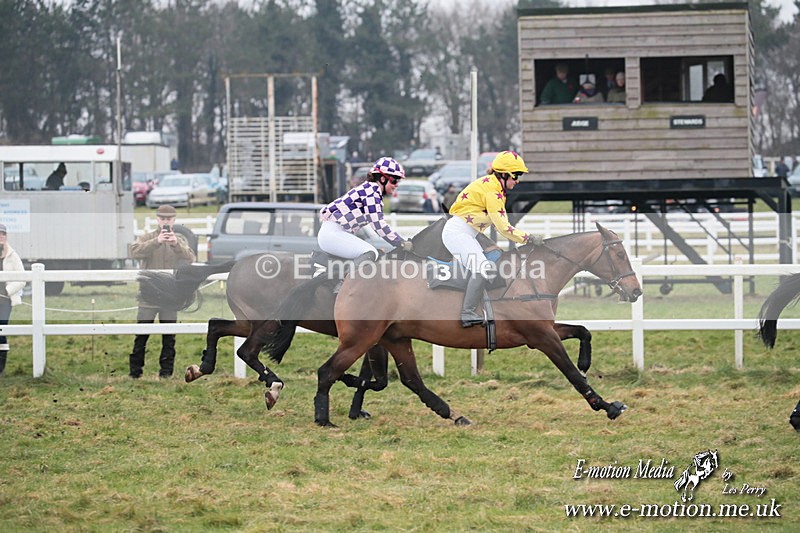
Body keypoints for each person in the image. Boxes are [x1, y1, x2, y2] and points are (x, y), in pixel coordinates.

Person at [443, 151, 545, 327]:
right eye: (516, 176)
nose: (517, 181)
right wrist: (528, 238)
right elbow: (504, 228)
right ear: (504, 174)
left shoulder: (493, 186)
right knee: (484, 268)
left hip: (466, 233)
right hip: (458, 233)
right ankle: (467, 313)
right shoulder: (492, 191)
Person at [128, 204, 195, 378]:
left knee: (169, 336)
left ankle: (166, 373)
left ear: (174, 220)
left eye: (169, 219)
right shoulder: (147, 237)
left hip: (170, 296)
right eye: (163, 218)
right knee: (142, 334)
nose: (166, 221)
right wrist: (156, 242)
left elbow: (190, 258)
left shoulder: (178, 240)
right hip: (148, 295)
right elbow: (134, 252)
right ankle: (135, 373)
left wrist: (175, 245)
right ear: (157, 219)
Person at [318, 156, 412, 264]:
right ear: (382, 179)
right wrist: (400, 242)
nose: (396, 185)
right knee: (371, 253)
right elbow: (378, 224)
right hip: (333, 234)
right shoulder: (372, 191)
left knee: (374, 253)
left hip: (335, 233)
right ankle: (350, 276)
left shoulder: (370, 189)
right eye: (394, 180)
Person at [0, 224, 25, 376]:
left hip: (4, 302)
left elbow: (22, 278)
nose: (1, 236)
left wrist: (7, 291)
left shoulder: (12, 256)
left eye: (3, 234)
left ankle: (1, 368)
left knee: (1, 331)